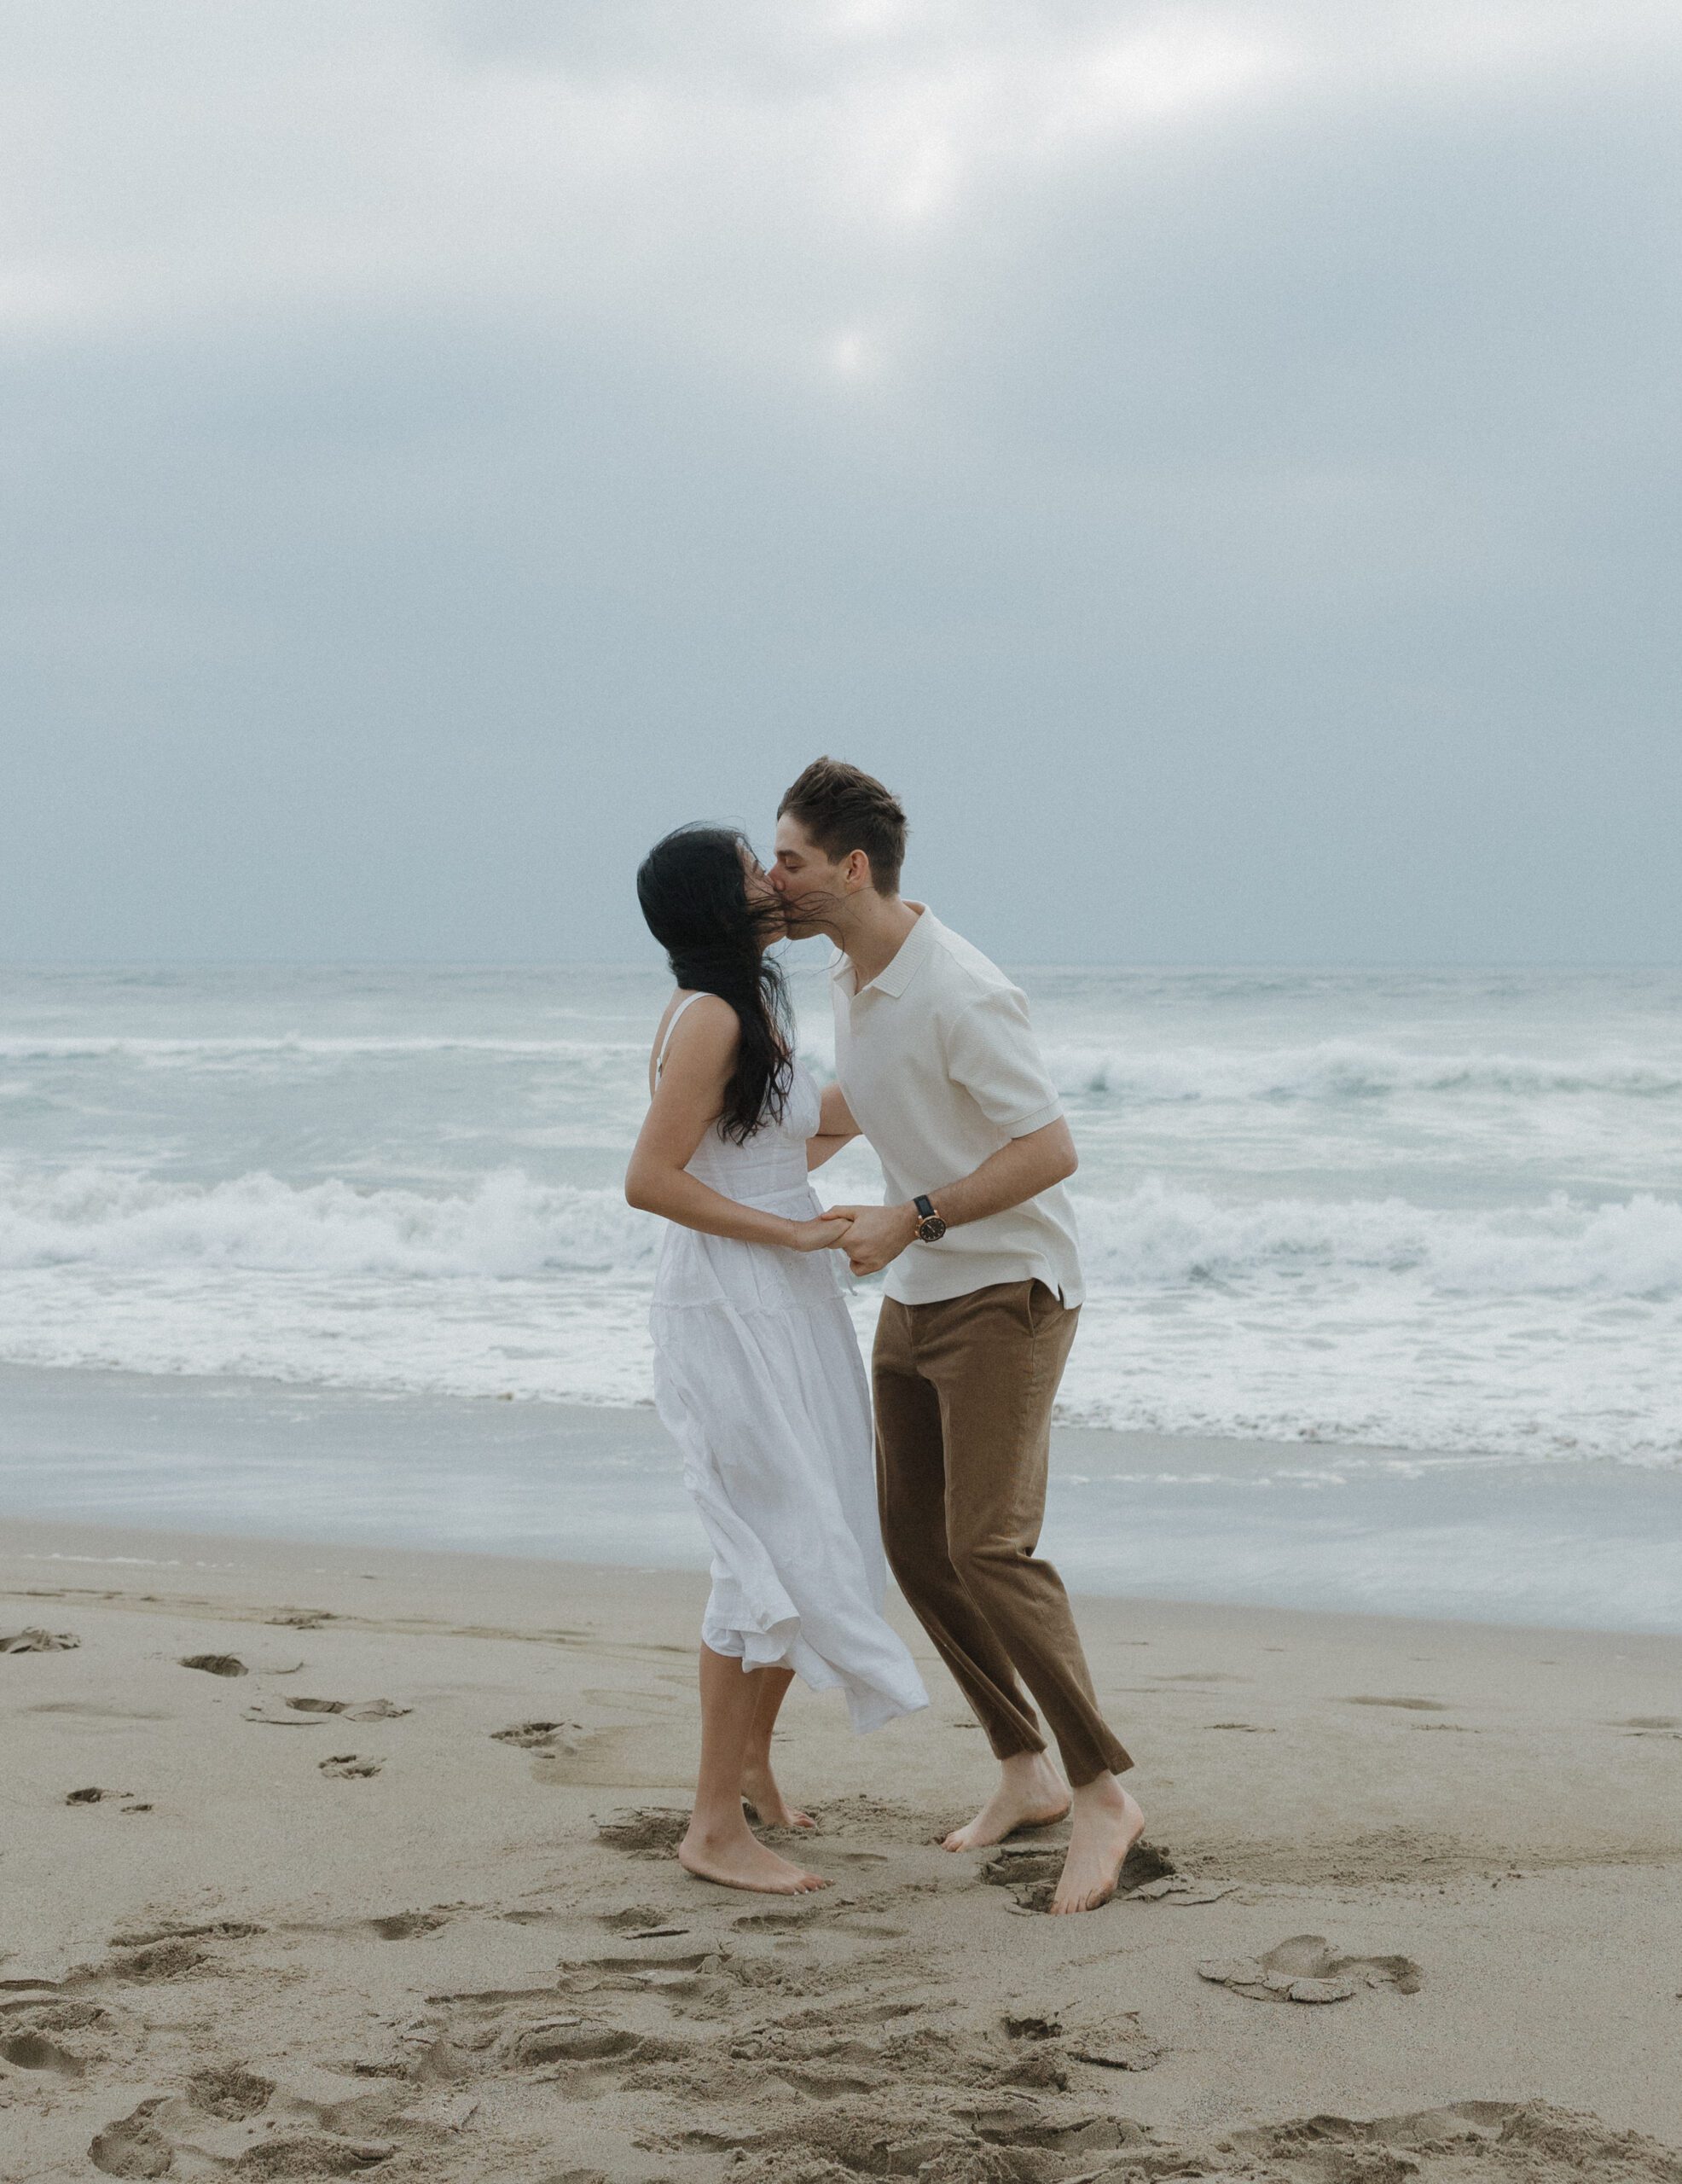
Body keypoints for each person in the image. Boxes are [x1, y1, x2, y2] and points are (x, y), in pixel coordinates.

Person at [769, 758, 1144, 1915]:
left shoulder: (959, 989)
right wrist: (735, 1180)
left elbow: (1048, 1150)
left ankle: (1103, 1793)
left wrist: (912, 1214)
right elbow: (859, 1107)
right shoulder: (850, 980)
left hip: (1006, 1288)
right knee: (913, 1543)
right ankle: (1023, 1768)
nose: (771, 882)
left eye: (787, 862)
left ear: (851, 867)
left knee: (989, 1547)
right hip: (919, 1291)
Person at [625, 822, 929, 1897]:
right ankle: (710, 1826)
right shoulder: (709, 1016)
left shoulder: (752, 1007)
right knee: (759, 1551)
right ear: (720, 902)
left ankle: (750, 1763)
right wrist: (795, 1234)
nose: (772, 877)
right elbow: (652, 1179)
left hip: (781, 1299)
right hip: (729, 1302)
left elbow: (771, 1144)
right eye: (752, 867)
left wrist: (926, 1060)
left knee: (821, 1523)